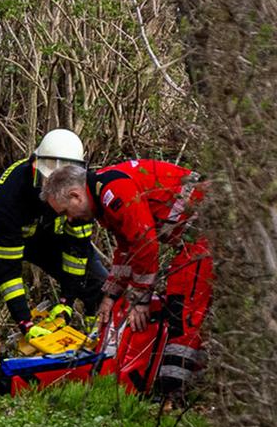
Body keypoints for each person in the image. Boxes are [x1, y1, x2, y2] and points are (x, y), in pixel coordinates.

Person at [41, 160, 211, 396]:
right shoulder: (104, 193)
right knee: (181, 308)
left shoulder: (114, 190)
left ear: (75, 195)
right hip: (198, 235)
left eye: (65, 212)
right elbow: (126, 249)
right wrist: (111, 295)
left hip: (207, 232)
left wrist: (140, 299)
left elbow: (145, 244)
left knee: (182, 311)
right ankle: (189, 387)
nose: (69, 220)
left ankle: (174, 396)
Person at [0, 129, 107, 335]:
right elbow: (8, 268)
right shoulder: (12, 193)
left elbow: (78, 253)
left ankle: (99, 344)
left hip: (44, 236)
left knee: (98, 284)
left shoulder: (82, 193)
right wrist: (25, 322)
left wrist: (67, 301)